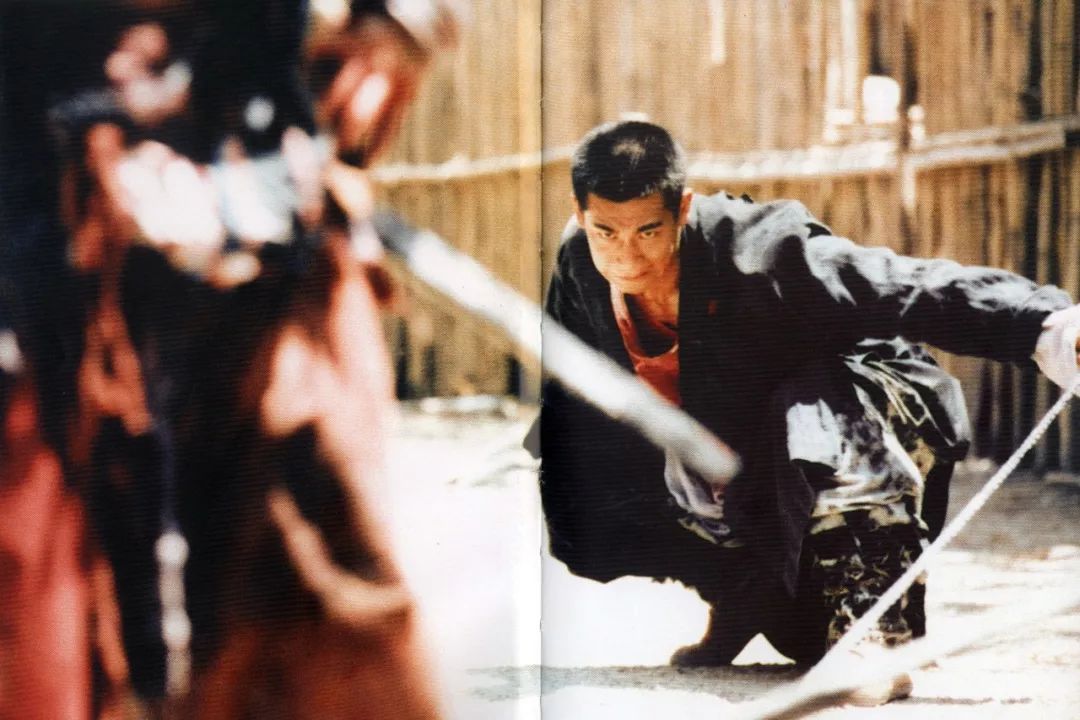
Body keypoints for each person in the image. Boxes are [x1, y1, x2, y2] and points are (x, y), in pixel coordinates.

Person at [0, 1, 456, 717]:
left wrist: (397, 15)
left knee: (315, 604)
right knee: (38, 631)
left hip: (258, 212)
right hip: (36, 221)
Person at [538, 119, 1080, 704]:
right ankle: (740, 592)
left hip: (856, 426)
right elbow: (575, 389)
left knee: (815, 402)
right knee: (578, 489)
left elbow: (904, 284)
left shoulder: (762, 248)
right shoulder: (579, 265)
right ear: (579, 214)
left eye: (648, 231)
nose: (627, 255)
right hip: (732, 454)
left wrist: (1042, 324)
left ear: (683, 209)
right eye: (606, 232)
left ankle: (876, 626)